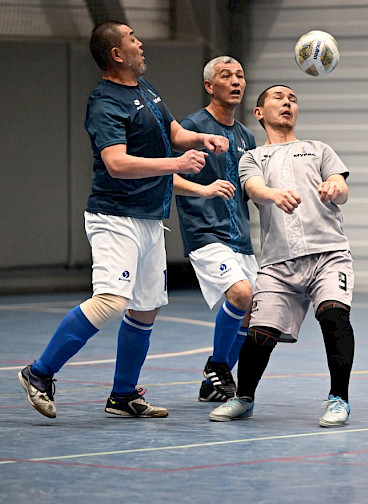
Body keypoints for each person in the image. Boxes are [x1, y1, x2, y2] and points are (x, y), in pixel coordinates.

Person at [17, 21, 229, 419]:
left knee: (145, 308)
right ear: (117, 54)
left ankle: (123, 395)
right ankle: (39, 373)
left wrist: (201, 139)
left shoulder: (144, 88)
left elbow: (173, 131)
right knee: (112, 301)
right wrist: (177, 164)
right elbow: (116, 163)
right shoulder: (105, 102)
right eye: (132, 38)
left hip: (150, 218)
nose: (140, 43)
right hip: (115, 217)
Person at [208, 85, 356, 427]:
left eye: (292, 99)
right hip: (278, 263)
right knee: (260, 333)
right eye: (278, 97)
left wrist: (336, 188)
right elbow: (254, 188)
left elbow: (341, 186)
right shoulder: (252, 158)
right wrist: (273, 195)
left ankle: (339, 399)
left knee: (334, 316)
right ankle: (244, 398)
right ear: (259, 113)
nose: (287, 102)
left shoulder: (318, 149)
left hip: (329, 254)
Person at [172, 56, 257, 402]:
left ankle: (212, 385)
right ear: (209, 85)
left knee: (252, 312)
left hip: (240, 237)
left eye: (240, 75)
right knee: (240, 293)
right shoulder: (192, 127)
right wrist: (205, 190)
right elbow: (166, 176)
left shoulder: (246, 136)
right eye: (226, 76)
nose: (235, 81)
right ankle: (218, 365)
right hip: (205, 233)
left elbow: (251, 188)